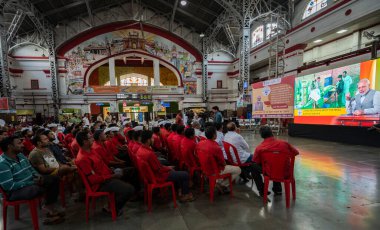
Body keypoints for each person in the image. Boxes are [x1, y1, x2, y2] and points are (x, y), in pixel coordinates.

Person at [0, 136, 64, 224]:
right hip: (13, 192)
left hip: (30, 183)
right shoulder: (3, 163)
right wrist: (32, 182)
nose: (22, 145)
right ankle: (47, 211)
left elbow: (31, 168)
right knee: (35, 189)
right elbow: (9, 186)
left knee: (53, 179)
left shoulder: (20, 155)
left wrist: (38, 176)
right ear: (9, 146)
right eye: (19, 143)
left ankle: (48, 206)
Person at [75, 131, 135, 216]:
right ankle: (112, 208)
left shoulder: (91, 150)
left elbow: (102, 163)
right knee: (129, 189)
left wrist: (111, 170)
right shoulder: (82, 159)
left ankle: (125, 195)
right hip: (101, 184)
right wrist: (112, 176)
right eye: (90, 137)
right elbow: (93, 179)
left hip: (108, 175)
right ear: (85, 141)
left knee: (131, 171)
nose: (93, 139)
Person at [136, 130, 195, 202]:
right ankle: (185, 195)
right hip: (159, 176)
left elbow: (157, 166)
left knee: (175, 171)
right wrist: (168, 168)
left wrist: (167, 168)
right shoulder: (149, 154)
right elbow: (159, 169)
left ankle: (180, 190)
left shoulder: (140, 150)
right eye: (152, 138)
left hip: (153, 175)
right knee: (185, 174)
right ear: (148, 140)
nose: (153, 139)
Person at [251, 126, 299, 196]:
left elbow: (256, 161)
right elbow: (296, 153)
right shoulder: (284, 144)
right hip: (285, 172)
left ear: (261, 135)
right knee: (277, 163)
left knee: (253, 166)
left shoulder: (259, 148)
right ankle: (278, 189)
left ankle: (262, 190)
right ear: (272, 133)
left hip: (270, 172)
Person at [196, 126, 241, 193]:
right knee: (238, 170)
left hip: (204, 168)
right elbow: (223, 163)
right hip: (214, 171)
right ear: (214, 135)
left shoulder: (199, 144)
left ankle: (218, 183)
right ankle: (222, 185)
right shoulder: (216, 147)